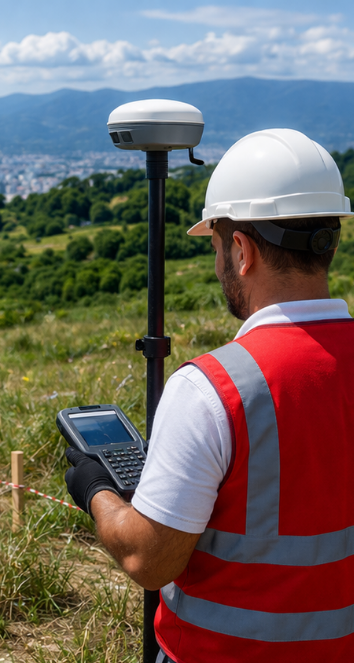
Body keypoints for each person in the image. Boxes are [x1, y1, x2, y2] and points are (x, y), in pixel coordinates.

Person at [64, 128, 354, 662]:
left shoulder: (213, 390)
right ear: (329, 242)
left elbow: (149, 561)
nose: (218, 261)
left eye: (217, 246)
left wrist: (95, 489)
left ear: (241, 250)